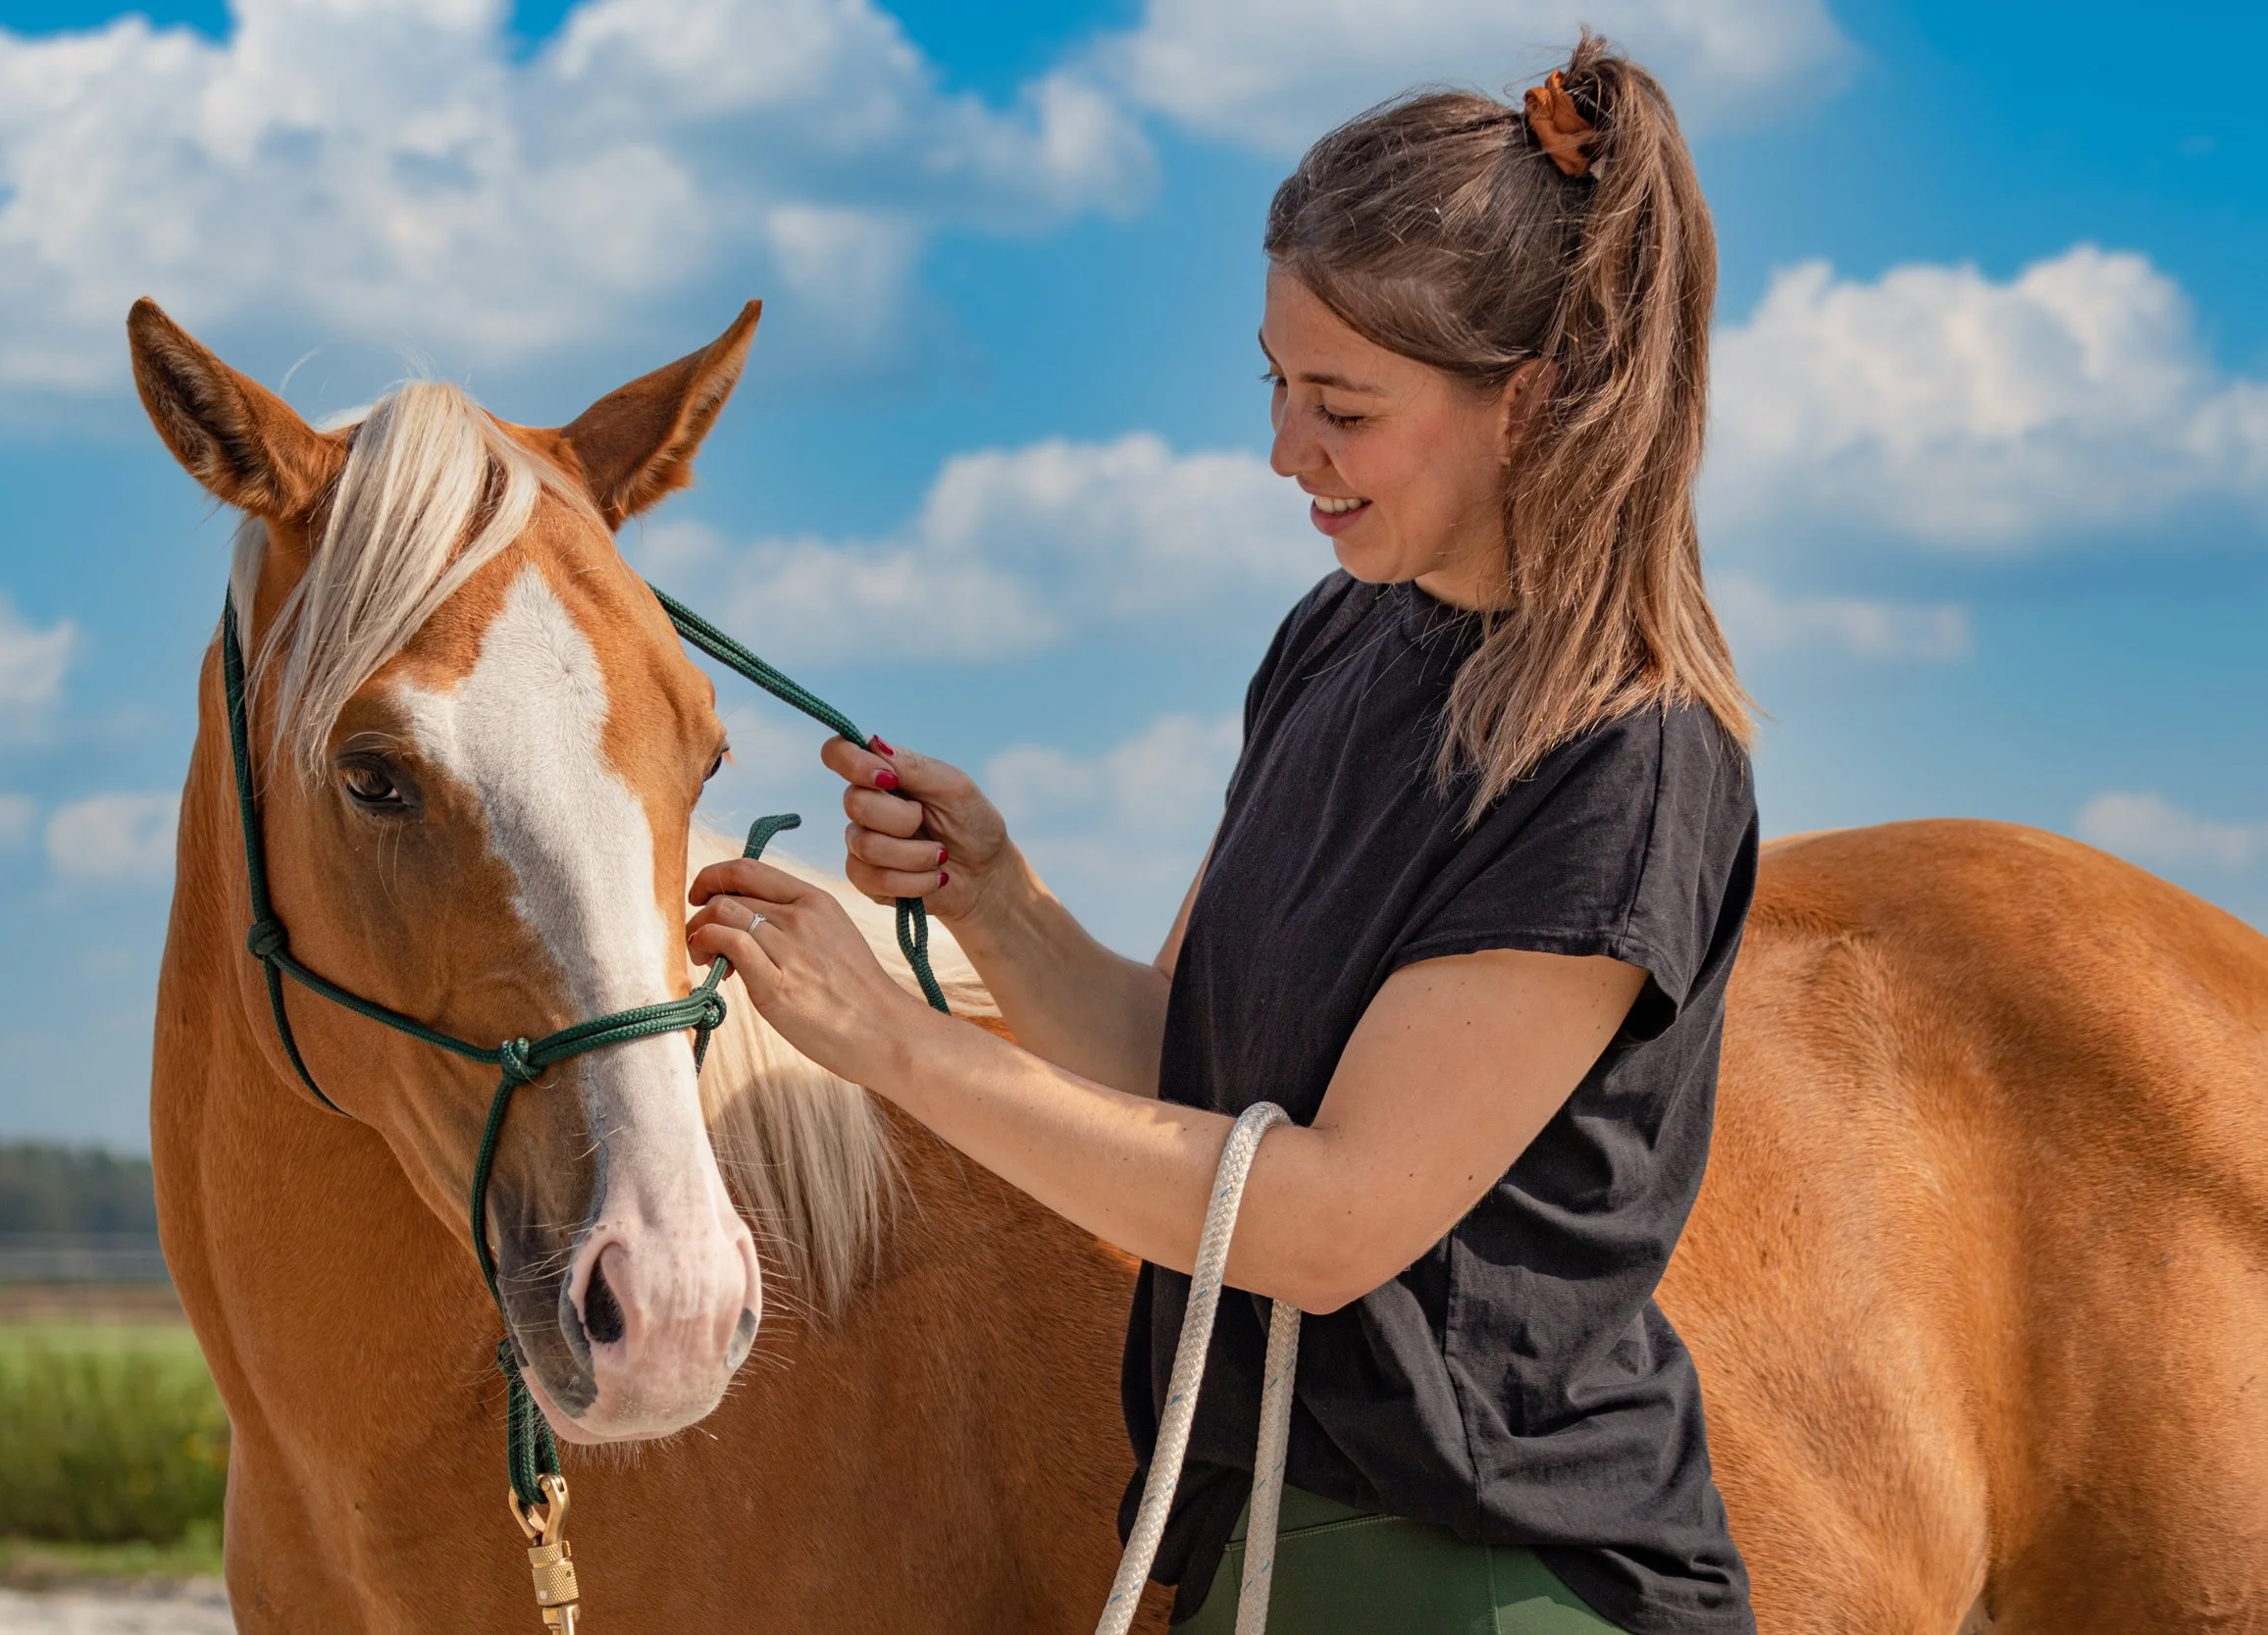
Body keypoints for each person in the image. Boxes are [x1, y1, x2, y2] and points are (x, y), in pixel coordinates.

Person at [685, 33, 1760, 1635]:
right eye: (1274, 384)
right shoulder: (1332, 646)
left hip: (1491, 1576)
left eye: (1341, 405)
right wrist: (1003, 909)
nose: (1283, 451)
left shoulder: (1628, 757)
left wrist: (887, 1042)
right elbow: (1184, 1075)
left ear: (1532, 403)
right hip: (1249, 1542)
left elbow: (1325, 1222)